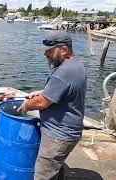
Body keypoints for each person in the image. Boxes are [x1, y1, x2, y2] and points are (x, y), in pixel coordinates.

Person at [6, 31, 86, 180]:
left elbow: (42, 102)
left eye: (49, 50)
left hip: (58, 136)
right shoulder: (77, 65)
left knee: (43, 175)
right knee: (55, 167)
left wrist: (27, 106)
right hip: (70, 131)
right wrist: (43, 91)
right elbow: (67, 88)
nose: (45, 54)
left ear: (64, 50)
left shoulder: (63, 72)